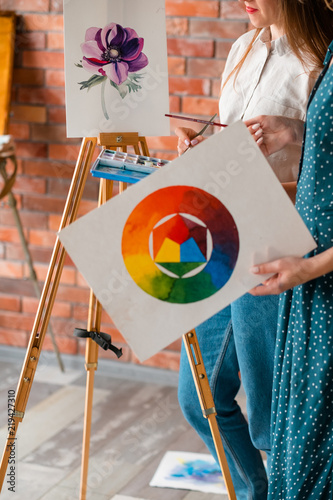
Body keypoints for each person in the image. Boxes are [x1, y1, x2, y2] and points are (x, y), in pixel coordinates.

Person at [176, 1, 333, 498]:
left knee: (271, 417)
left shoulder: (321, 57)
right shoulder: (244, 48)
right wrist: (200, 147)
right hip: (221, 236)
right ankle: (254, 492)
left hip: (275, 246)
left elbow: (322, 163)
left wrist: (293, 133)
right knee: (197, 397)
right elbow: (234, 143)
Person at [244, 9, 333, 497]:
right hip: (299, 270)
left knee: (298, 441)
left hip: (303, 263)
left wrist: (312, 264)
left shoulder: (316, 57)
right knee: (292, 432)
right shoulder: (246, 51)